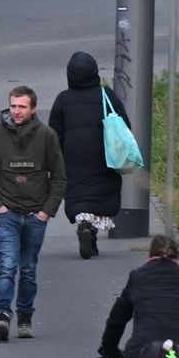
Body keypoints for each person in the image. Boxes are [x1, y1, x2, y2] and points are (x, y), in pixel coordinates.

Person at [0, 84, 66, 341]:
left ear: (33, 109)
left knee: (28, 268)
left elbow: (59, 177)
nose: (16, 111)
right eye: (13, 105)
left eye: (22, 107)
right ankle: (2, 316)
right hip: (8, 215)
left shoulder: (47, 136)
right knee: (7, 266)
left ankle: (25, 317)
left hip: (35, 216)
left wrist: (46, 212)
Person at [49, 51, 128, 257]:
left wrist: (54, 159)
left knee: (78, 194)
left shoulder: (63, 99)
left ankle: (83, 224)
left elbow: (53, 133)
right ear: (94, 72)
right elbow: (124, 125)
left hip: (73, 156)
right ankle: (91, 231)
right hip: (104, 156)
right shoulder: (106, 95)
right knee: (101, 195)